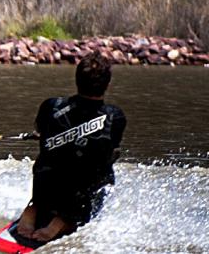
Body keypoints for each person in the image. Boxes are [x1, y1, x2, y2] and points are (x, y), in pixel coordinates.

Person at [14, 53, 127, 244]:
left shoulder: (51, 106)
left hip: (47, 189)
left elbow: (42, 130)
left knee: (54, 159)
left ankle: (34, 207)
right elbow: (108, 147)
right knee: (103, 163)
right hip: (79, 195)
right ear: (107, 85)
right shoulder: (115, 116)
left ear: (76, 80)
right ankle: (65, 221)